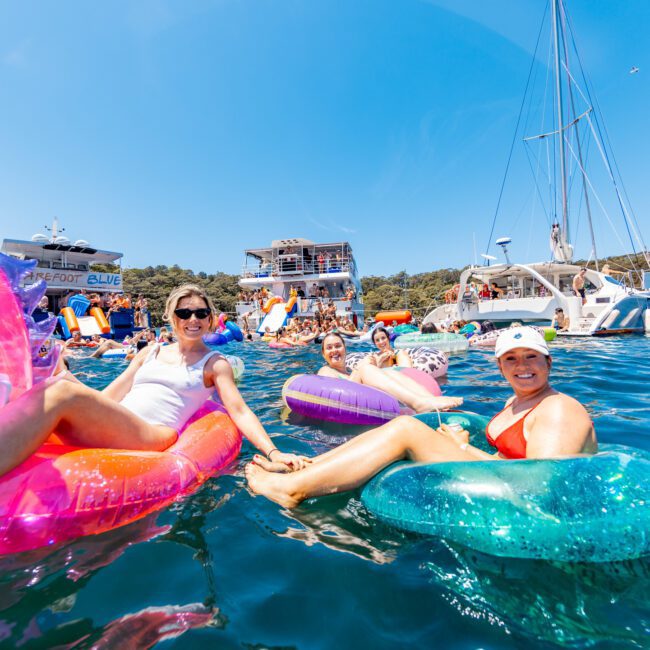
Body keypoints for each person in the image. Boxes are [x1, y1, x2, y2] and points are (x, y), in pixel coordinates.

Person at [246, 327, 597, 507]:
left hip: (517, 499)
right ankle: (307, 468)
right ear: (500, 366)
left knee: (405, 430)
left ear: (549, 362)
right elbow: (508, 459)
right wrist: (460, 446)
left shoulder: (557, 409)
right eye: (511, 359)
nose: (522, 366)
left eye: (532, 357)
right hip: (502, 477)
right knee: (406, 427)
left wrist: (461, 450)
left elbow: (539, 488)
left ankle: (292, 489)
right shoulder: (516, 402)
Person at [0, 284, 307, 478]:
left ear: (210, 319)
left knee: (62, 391)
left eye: (201, 312)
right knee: (52, 381)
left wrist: (274, 452)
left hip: (153, 433)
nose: (193, 319)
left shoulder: (214, 364)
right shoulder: (151, 351)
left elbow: (239, 411)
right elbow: (112, 393)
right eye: (184, 312)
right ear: (172, 317)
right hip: (123, 422)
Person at [316, 332, 461, 414]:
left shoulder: (350, 372)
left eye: (338, 346)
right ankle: (419, 403)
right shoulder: (325, 370)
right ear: (323, 354)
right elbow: (338, 395)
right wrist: (362, 368)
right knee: (367, 368)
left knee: (392, 372)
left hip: (379, 404)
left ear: (345, 349)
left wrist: (375, 367)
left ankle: (430, 401)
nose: (334, 350)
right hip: (352, 412)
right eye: (329, 348)